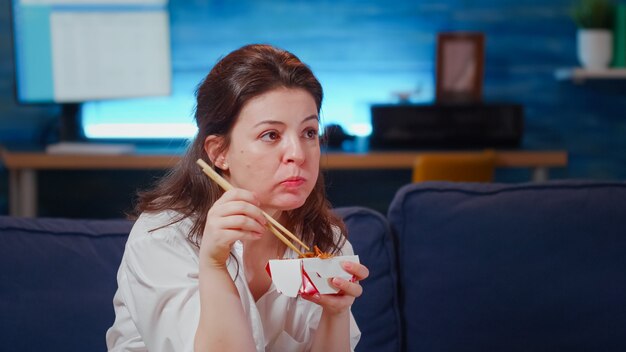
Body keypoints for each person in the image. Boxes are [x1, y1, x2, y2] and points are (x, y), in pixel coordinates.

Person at [106, 44, 369, 352]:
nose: (298, 154)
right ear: (219, 152)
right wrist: (214, 264)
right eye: (271, 135)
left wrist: (335, 314)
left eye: (309, 132)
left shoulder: (324, 242)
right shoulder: (162, 238)